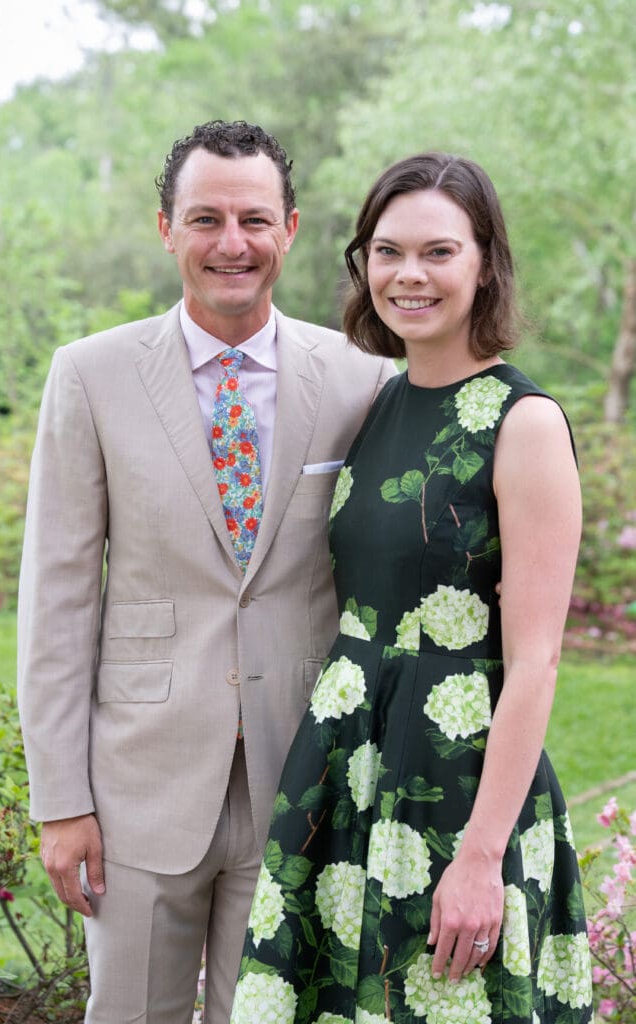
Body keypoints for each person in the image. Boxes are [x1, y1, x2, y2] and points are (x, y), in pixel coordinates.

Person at [16, 120, 395, 1024]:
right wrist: (61, 803)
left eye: (254, 220)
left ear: (289, 229)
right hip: (138, 784)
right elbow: (58, 602)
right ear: (166, 229)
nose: (233, 243)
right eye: (206, 219)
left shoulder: (363, 379)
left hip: (301, 776)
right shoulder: (90, 376)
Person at [231, 153, 593, 1024]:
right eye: (387, 252)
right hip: (345, 763)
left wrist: (480, 857)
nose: (408, 275)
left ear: (485, 262)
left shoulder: (524, 423)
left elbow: (536, 662)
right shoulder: (378, 403)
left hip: (455, 775)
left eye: (438, 251)